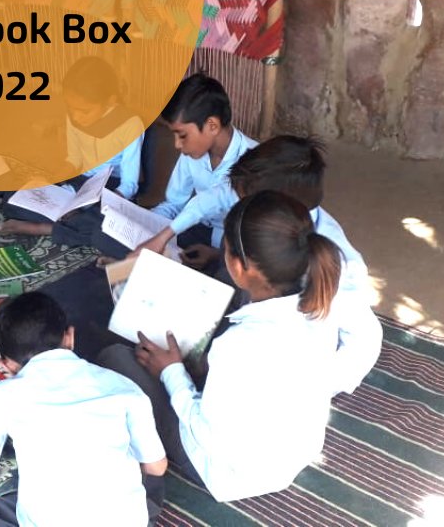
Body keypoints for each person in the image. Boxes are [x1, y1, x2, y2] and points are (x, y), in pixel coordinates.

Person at [98, 190, 342, 503]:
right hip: (291, 449)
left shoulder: (237, 346)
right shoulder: (321, 302)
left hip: (226, 469)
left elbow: (207, 436)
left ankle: (167, 366)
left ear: (243, 267)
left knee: (115, 356)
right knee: (204, 322)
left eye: (225, 248)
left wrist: (171, 372)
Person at [0, 291, 167, 527]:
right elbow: (157, 466)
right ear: (69, 337)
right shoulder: (124, 387)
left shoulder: (2, 396)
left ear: (5, 363)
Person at [224, 135, 382, 393]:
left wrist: (313, 390)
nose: (240, 210)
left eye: (246, 205)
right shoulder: (284, 228)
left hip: (292, 373)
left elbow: (365, 340)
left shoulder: (340, 268)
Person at [0, 57, 144, 255]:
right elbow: (74, 161)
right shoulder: (74, 116)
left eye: (84, 111)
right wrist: (49, 181)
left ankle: (44, 228)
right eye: (71, 108)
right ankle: (65, 222)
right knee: (13, 197)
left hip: (109, 191)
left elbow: (130, 185)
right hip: (80, 183)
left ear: (110, 101)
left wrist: (92, 203)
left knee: (107, 228)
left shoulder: (130, 125)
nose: (75, 117)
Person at [138, 74, 256, 266]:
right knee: (112, 241)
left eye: (182, 135)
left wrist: (218, 255)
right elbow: (175, 203)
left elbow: (256, 242)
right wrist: (146, 223)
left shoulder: (253, 162)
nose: (177, 145)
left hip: (233, 249)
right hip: (197, 230)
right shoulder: (192, 153)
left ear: (212, 126)